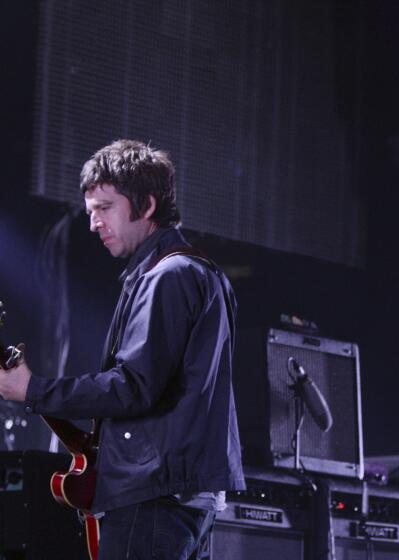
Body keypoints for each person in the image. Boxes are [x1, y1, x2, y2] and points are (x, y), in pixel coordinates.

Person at [0, 139, 245, 559]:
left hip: (155, 496)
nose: (93, 222)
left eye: (104, 207)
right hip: (179, 493)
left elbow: (133, 387)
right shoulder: (194, 272)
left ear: (147, 205)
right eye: (90, 209)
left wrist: (34, 390)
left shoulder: (168, 276)